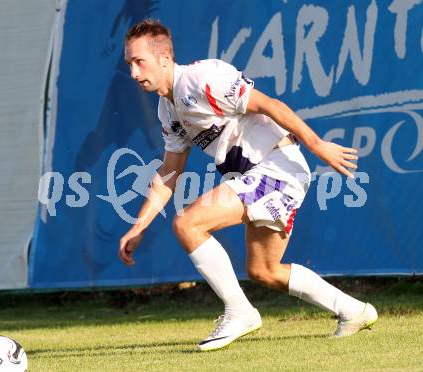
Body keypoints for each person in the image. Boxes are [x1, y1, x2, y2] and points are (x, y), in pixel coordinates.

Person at [119, 19, 378, 351]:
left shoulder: (201, 80)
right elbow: (170, 172)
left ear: (165, 59)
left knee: (188, 223)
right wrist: (138, 226)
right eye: (129, 63)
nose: (133, 71)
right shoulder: (168, 109)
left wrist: (317, 145)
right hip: (257, 175)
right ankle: (355, 311)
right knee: (264, 270)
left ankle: (240, 312)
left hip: (276, 167)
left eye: (139, 61)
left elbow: (270, 105)